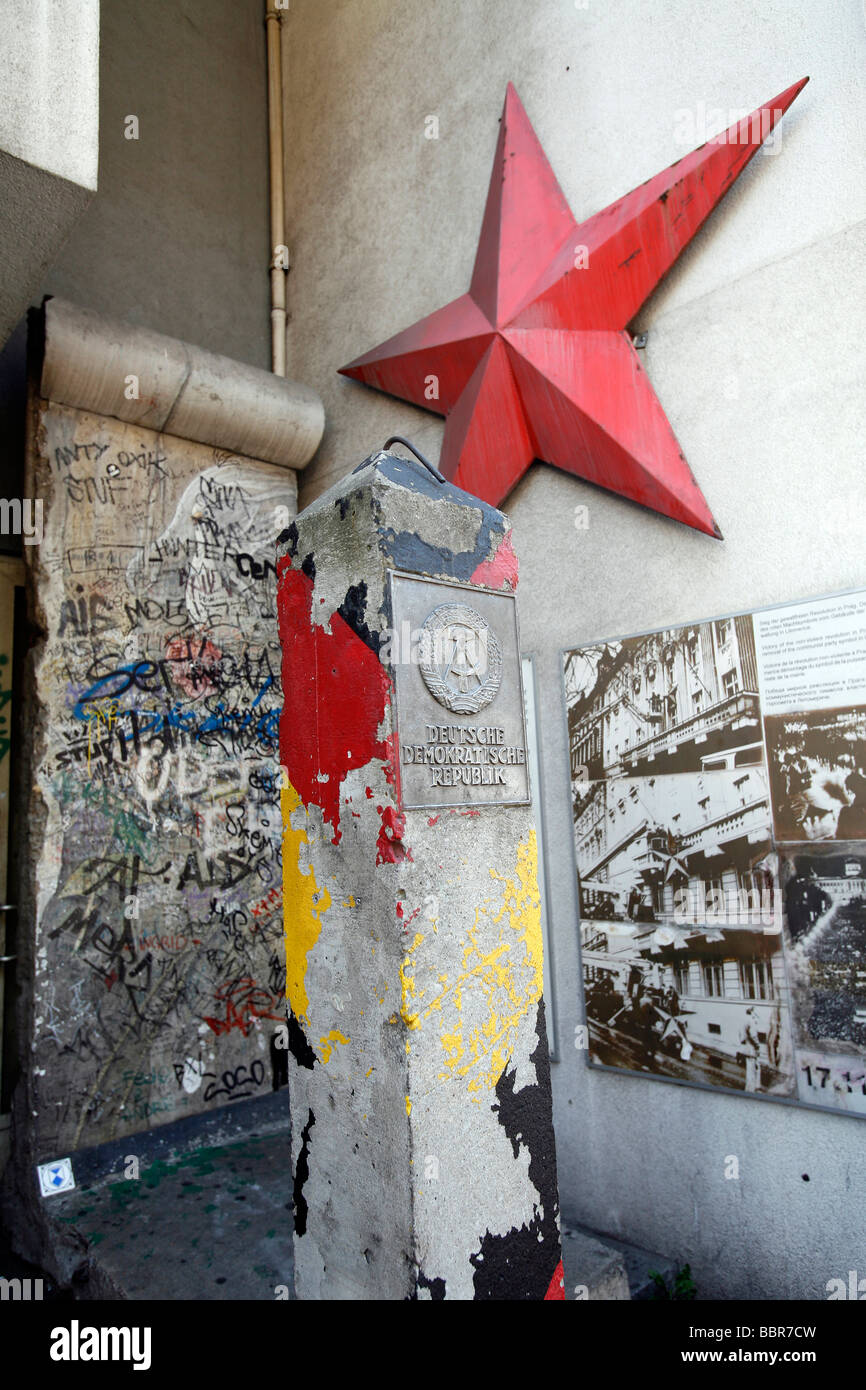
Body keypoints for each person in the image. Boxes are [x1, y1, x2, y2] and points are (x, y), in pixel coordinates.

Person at [739, 1007, 761, 1093]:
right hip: (752, 1049)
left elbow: (741, 1035)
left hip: (747, 1048)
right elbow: (753, 1035)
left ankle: (752, 1088)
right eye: (754, 1012)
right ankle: (751, 1090)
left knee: (751, 1068)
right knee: (753, 1069)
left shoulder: (744, 1020)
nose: (755, 1014)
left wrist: (744, 1042)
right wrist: (757, 1046)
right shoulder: (751, 1021)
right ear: (751, 1012)